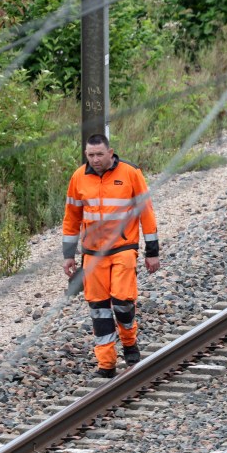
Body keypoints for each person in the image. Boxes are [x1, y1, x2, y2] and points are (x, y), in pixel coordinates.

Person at [62, 134, 160, 378]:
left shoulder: (130, 173)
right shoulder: (78, 178)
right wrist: (68, 255)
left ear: (110, 152)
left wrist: (152, 252)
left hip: (123, 248)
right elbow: (71, 218)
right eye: (90, 155)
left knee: (122, 301)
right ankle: (106, 364)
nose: (95, 159)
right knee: (98, 309)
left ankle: (129, 341)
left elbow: (146, 213)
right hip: (92, 254)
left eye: (99, 154)